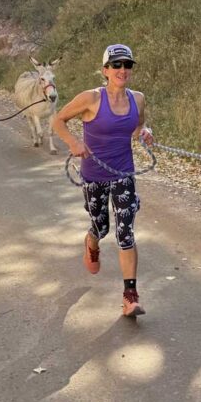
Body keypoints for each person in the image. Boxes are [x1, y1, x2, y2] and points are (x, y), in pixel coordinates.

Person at [52, 43, 154, 317]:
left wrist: (145, 133)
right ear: (105, 70)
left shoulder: (138, 99)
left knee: (126, 232)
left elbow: (138, 126)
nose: (122, 69)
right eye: (116, 65)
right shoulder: (91, 98)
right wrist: (73, 142)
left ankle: (130, 296)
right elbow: (58, 120)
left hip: (123, 174)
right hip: (94, 176)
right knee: (101, 227)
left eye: (127, 65)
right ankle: (92, 244)